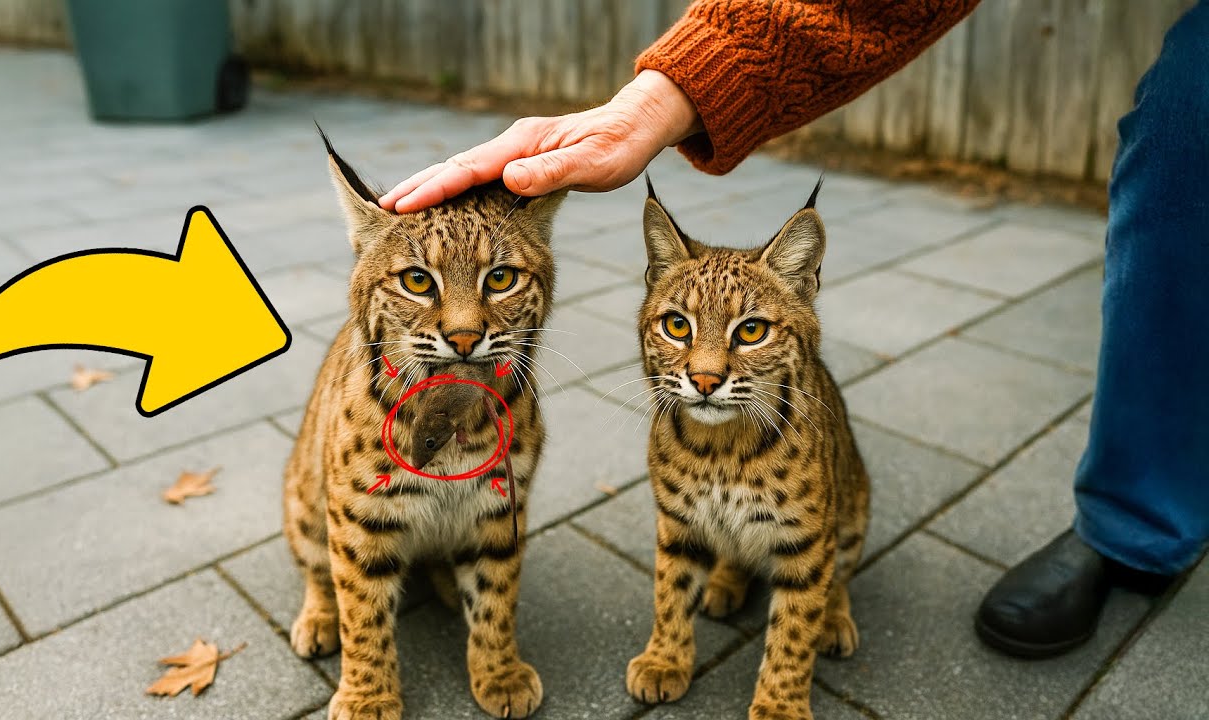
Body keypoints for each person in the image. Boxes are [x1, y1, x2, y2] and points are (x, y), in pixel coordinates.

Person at [380, 0, 1209, 659]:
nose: (703, 368)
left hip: (796, 479)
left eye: (743, 337)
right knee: (1178, 135)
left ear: (805, 291)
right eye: (674, 328)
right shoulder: (676, 410)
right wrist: (659, 102)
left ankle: (1131, 526)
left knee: (815, 554)